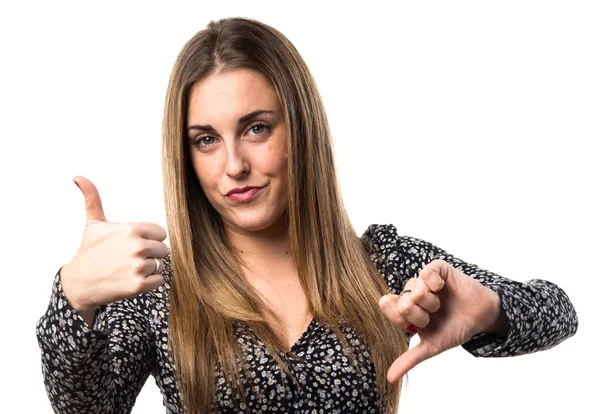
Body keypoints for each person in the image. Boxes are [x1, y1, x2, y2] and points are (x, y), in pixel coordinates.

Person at [36, 16, 578, 414]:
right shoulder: (162, 289)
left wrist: (492, 313)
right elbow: (88, 408)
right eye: (205, 140)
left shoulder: (385, 265)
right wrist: (73, 300)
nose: (234, 166)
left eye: (256, 128)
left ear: (301, 129)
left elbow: (560, 312)